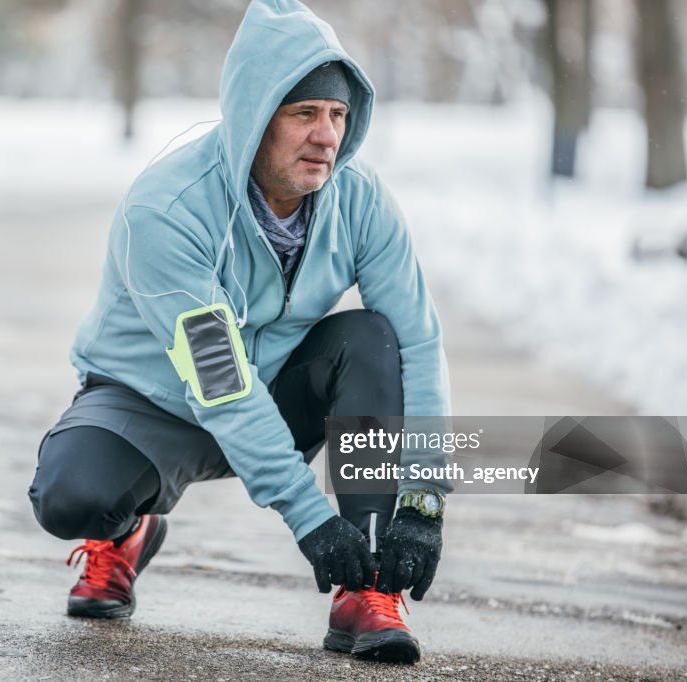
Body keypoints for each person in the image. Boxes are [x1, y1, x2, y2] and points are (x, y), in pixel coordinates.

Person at [28, 0, 451, 665]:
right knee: (70, 497)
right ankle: (126, 534)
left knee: (372, 338)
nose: (326, 137)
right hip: (153, 404)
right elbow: (218, 378)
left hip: (280, 392)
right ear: (257, 116)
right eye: (303, 113)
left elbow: (419, 341)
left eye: (338, 115)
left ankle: (365, 586)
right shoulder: (168, 208)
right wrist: (308, 516)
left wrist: (423, 499)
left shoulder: (360, 199)